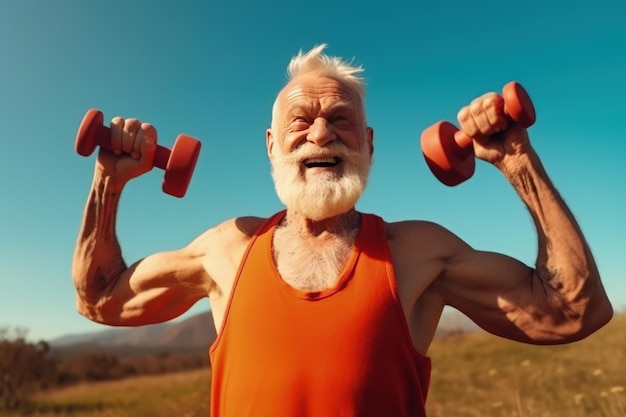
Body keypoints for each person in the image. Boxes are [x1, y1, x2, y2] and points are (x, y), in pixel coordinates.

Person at [72, 44, 613, 416]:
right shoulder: (228, 249)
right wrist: (108, 182)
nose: (322, 134)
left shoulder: (417, 251)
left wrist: (518, 160)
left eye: (341, 119)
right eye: (301, 121)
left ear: (369, 145)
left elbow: (573, 313)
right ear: (271, 145)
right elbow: (99, 299)